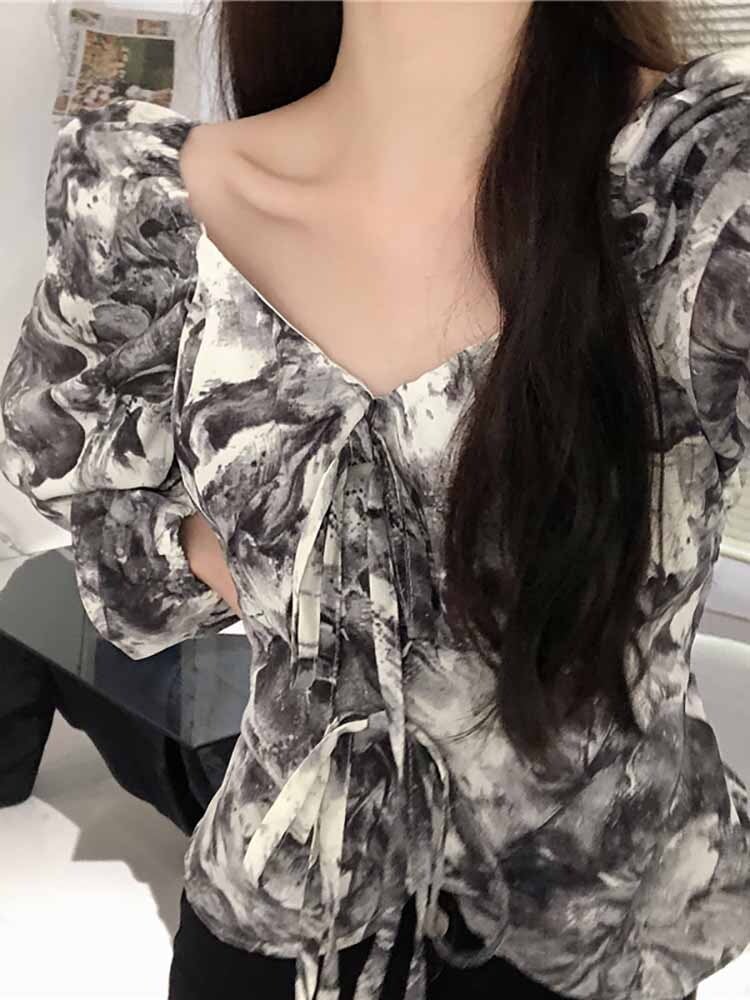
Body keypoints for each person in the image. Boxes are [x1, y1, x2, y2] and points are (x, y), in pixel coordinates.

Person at [1, 1, 749, 998]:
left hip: (591, 943)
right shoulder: (147, 201)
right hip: (275, 931)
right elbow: (122, 574)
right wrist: (274, 540)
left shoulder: (700, 187)